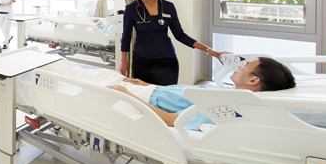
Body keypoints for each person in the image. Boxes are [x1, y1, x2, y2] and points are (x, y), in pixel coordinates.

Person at [107, 57, 296, 130]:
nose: (239, 66)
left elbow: (171, 120)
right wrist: (149, 84)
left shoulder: (224, 107)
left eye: (245, 66)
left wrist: (128, 95)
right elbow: (182, 93)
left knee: (93, 78)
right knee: (99, 75)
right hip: (149, 89)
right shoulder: (228, 92)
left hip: (142, 97)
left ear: (254, 80)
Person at [120, 0, 225, 86]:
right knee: (143, 96)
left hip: (167, 61)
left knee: (167, 96)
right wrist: (123, 61)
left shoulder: (168, 7)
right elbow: (126, 37)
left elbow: (180, 35)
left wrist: (208, 50)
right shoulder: (132, 9)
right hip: (143, 60)